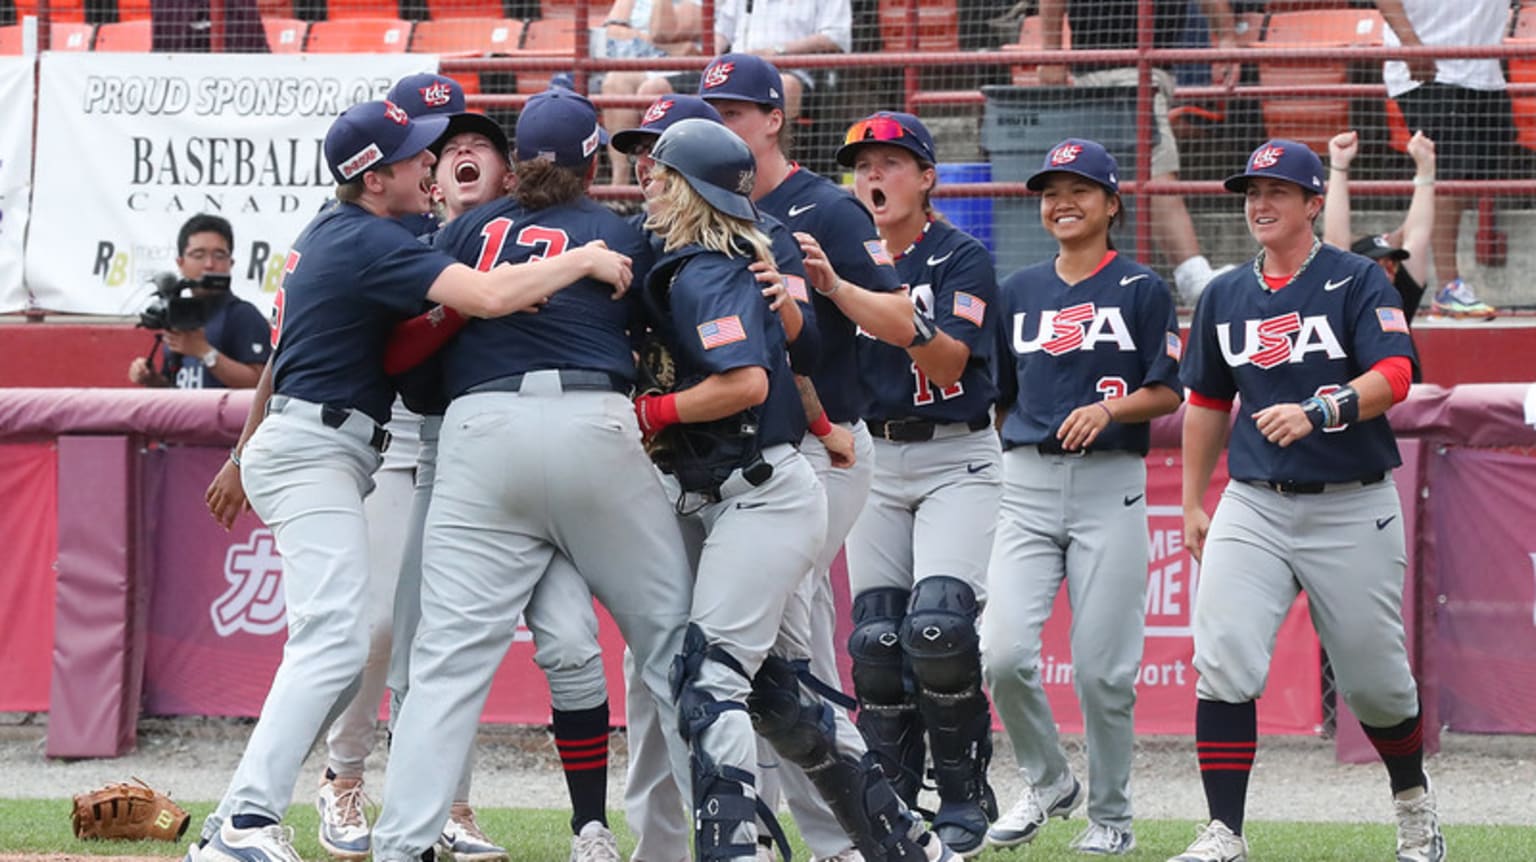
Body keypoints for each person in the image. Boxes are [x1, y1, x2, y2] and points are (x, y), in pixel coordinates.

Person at [195, 99, 634, 862]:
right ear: (374, 178)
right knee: (338, 638)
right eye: (412, 155)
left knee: (353, 638)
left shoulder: (353, 231)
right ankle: (247, 818)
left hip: (321, 441)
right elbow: (494, 294)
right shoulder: (371, 238)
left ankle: (247, 818)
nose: (427, 162)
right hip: (315, 445)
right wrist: (586, 260)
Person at [360, 88, 703, 862]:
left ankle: (401, 846)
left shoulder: (467, 227)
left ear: (518, 164)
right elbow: (667, 342)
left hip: (481, 436)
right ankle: (723, 841)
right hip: (594, 422)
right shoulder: (620, 231)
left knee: (445, 665)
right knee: (673, 649)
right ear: (592, 162)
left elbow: (416, 356)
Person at [629, 116, 952, 862]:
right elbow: (795, 357)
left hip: (762, 493)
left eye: (661, 173)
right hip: (755, 486)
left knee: (710, 681)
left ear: (691, 189)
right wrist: (821, 419)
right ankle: (905, 846)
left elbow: (745, 381)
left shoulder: (712, 266)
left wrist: (648, 411)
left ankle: (732, 852)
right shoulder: (743, 248)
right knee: (783, 696)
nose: (647, 181)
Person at [1171, 139, 1442, 862]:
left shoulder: (1356, 279)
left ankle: (1413, 803)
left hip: (1351, 502)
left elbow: (1396, 372)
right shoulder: (1225, 292)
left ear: (1314, 202)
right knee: (1223, 655)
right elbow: (1204, 401)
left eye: (1278, 192)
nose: (1260, 203)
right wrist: (1194, 500)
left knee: (1375, 683)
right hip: (1255, 500)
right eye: (1252, 191)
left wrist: (1324, 411)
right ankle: (1224, 831)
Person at [699, 53, 927, 862]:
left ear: (773, 120)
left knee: (766, 644)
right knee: (780, 644)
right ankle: (854, 833)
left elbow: (906, 322)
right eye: (710, 107)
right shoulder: (700, 201)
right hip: (742, 450)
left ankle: (832, 837)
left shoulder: (822, 206)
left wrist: (829, 286)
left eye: (735, 109)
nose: (721, 119)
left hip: (821, 447)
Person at [307, 73, 519, 862]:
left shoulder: (522, 232)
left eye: (475, 145)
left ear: (507, 167)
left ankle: (448, 804)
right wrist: (241, 445)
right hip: (394, 444)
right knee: (378, 625)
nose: (453, 154)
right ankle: (343, 777)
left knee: (448, 641)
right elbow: (297, 342)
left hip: (469, 452)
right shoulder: (380, 229)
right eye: (440, 143)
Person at [982, 138, 1183, 856]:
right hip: (1029, 485)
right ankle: (1047, 781)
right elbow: (1000, 396)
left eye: (1079, 189)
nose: (1062, 202)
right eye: (1050, 191)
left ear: (1111, 203)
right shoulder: (1020, 290)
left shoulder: (1140, 287)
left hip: (1110, 486)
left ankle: (1113, 816)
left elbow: (1168, 390)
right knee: (999, 654)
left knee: (1104, 672)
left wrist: (1112, 409)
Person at [828, 110, 1004, 858]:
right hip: (874, 453)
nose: (874, 175)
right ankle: (895, 799)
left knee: (937, 629)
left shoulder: (960, 256)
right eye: (863, 164)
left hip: (954, 455)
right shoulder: (846, 259)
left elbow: (950, 365)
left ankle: (964, 790)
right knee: (875, 643)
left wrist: (873, 303)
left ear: (928, 178)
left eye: (892, 162)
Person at [1037, 0, 1239, 304]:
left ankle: (1100, 284)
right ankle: (1192, 278)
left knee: (1122, 178)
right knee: (1153, 174)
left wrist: (1225, 38)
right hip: (1116, 73)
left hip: (1146, 69)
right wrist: (1051, 53)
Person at [1377, 0, 1509, 320]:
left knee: (1466, 179)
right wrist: (1411, 46)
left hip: (1482, 71)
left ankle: (1389, 244)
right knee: (1450, 176)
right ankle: (1447, 290)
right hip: (1427, 70)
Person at [128, 214, 269, 391]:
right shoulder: (178, 314)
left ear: (230, 263)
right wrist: (153, 380)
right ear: (180, 263)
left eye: (219, 255)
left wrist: (204, 352)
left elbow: (261, 385)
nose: (209, 264)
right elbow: (178, 390)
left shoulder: (242, 315)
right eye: (198, 255)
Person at [1325, 129, 1436, 326]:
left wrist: (1426, 169)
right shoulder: (1344, 296)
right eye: (1377, 265)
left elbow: (1417, 235)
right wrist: (1339, 166)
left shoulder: (1401, 297)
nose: (1388, 273)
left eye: (1391, 265)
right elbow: (1335, 241)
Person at [596, 0, 705, 184]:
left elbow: (662, 32)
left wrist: (636, 37)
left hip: (682, 70)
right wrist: (661, 45)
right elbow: (611, 32)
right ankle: (619, 186)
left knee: (651, 90)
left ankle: (658, 179)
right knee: (615, 82)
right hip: (639, 65)